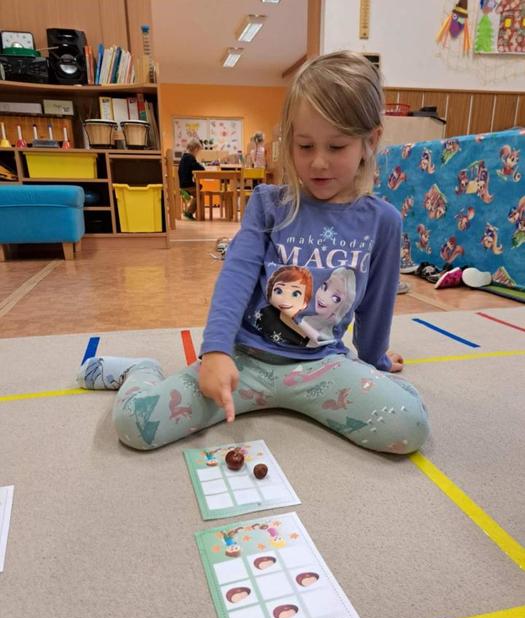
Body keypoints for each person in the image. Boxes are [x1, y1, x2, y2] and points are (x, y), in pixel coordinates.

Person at [77, 51, 429, 456]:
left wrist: (374, 359)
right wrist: (216, 351)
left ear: (371, 141)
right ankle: (141, 370)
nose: (318, 162)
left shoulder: (383, 221)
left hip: (322, 369)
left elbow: (377, 303)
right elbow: (236, 278)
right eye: (304, 145)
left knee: (410, 426)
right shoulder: (268, 203)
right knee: (135, 425)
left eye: (336, 146)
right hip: (244, 361)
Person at [177, 137, 205, 220]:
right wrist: (200, 163)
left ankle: (190, 211)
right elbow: (201, 169)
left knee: (199, 187)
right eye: (198, 151)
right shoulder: (190, 158)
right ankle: (189, 213)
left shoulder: (184, 157)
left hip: (182, 184)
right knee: (200, 194)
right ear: (195, 149)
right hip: (187, 185)